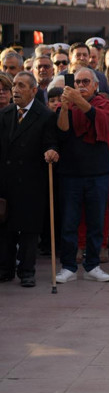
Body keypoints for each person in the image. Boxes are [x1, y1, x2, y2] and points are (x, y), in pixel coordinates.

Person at [54, 67, 109, 283]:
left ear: (96, 85)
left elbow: (101, 121)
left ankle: (92, 265)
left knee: (95, 221)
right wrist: (63, 107)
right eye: (78, 81)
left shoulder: (104, 103)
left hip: (97, 172)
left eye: (86, 82)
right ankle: (68, 266)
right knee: (69, 222)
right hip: (70, 173)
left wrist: (77, 100)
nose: (81, 85)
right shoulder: (67, 103)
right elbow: (62, 130)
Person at [0, 71, 59, 287]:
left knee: (28, 230)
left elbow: (51, 142)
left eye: (21, 86)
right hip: (6, 181)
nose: (15, 90)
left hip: (31, 182)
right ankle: (5, 269)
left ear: (34, 90)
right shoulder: (5, 114)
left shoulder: (44, 116)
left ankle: (27, 271)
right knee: (5, 229)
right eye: (14, 85)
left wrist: (51, 151)